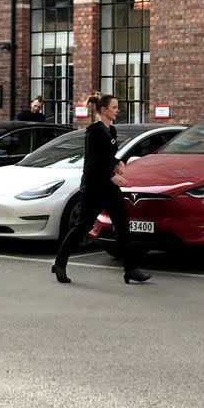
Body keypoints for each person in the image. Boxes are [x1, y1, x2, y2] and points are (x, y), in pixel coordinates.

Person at [51, 92, 150, 285]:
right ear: (103, 110)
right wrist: (112, 176)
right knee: (83, 227)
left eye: (117, 107)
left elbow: (106, 158)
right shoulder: (94, 131)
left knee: (123, 224)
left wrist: (118, 162)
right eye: (114, 107)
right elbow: (93, 162)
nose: (117, 110)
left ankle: (131, 269)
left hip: (109, 188)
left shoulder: (111, 131)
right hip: (94, 187)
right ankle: (60, 262)